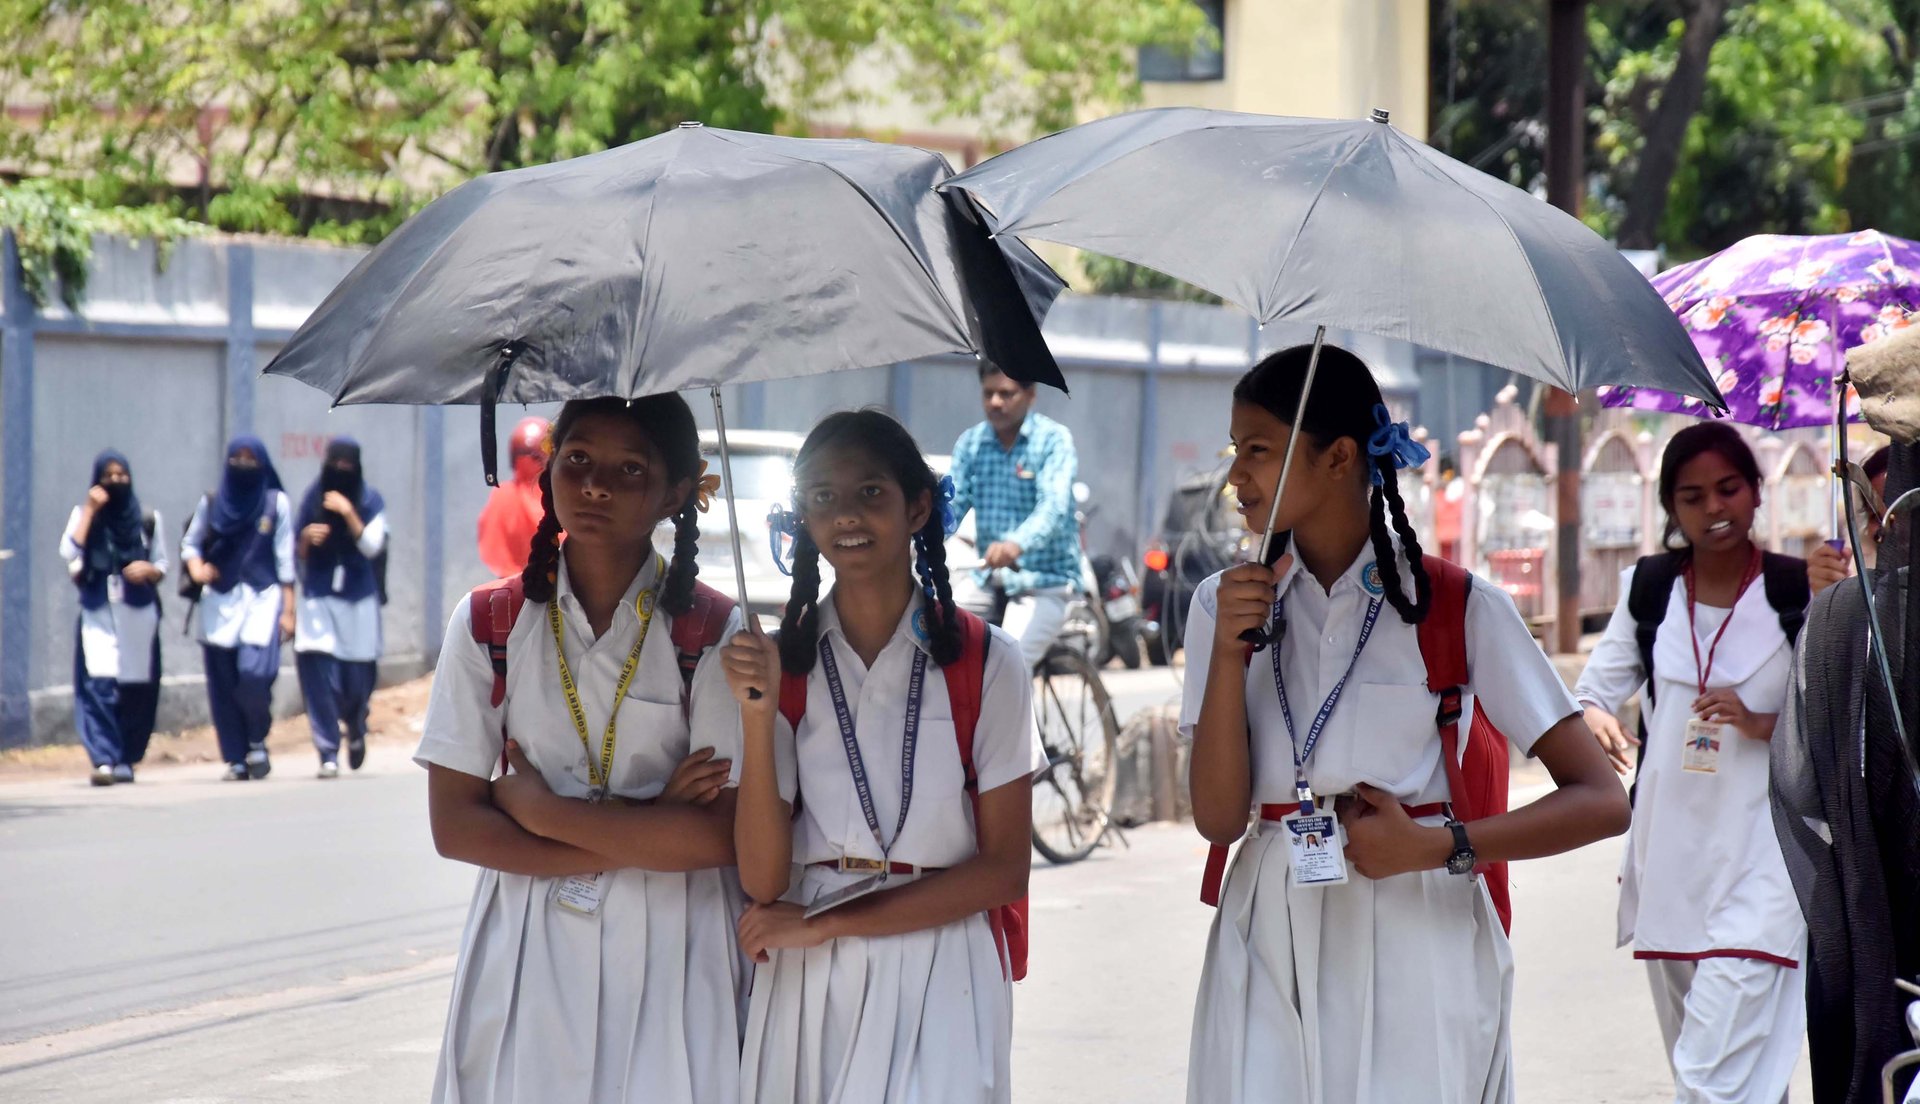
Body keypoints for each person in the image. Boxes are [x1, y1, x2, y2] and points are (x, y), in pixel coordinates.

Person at [1183, 344, 1629, 1104]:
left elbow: (1602, 800)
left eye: (1257, 450)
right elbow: (1219, 820)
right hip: (1266, 928)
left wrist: (1438, 845)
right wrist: (1230, 655)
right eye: (1237, 450)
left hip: (1417, 926)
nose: (1236, 476)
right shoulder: (1222, 606)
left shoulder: (1456, 605)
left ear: (1339, 457)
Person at [414, 395, 749, 1104]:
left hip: (676, 944)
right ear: (549, 470)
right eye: (578, 459)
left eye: (630, 469)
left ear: (676, 494)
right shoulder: (488, 622)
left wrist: (541, 813)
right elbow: (456, 827)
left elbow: (720, 835)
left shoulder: (713, 630)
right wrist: (652, 823)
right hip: (526, 943)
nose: (595, 485)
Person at [721, 409, 1041, 1104]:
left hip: (941, 958)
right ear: (803, 518)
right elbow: (763, 876)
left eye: (870, 491)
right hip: (809, 974)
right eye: (823, 496)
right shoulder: (782, 664)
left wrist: (827, 922)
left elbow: (1003, 870)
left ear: (918, 507)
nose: (845, 514)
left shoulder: (988, 661)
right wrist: (756, 716)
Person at [1577, 422, 1810, 1104]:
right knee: (1728, 1072)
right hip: (1672, 862)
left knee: (1710, 1080)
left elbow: (1841, 725)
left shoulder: (1801, 593)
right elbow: (1592, 692)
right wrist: (1593, 717)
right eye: (1693, 496)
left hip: (1767, 862)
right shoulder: (1648, 591)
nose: (1714, 508)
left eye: (1728, 489)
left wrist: (1759, 722)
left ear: (1756, 491)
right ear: (1670, 508)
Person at [948, 364, 1083, 669]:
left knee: (1009, 664)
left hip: (1044, 581)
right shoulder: (971, 443)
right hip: (987, 577)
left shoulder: (1052, 440)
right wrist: (918, 536)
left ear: (1030, 395)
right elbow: (952, 506)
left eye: (1006, 393)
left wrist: (1014, 545)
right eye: (988, 393)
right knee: (938, 636)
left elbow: (1054, 507)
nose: (995, 402)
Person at [182, 436, 295, 782]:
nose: (243, 465)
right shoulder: (212, 502)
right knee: (223, 684)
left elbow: (285, 558)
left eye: (251, 459)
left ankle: (257, 737)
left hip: (263, 599)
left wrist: (289, 610)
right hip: (220, 602)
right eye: (237, 458)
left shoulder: (275, 503)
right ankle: (236, 758)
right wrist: (197, 568)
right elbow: (191, 543)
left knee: (254, 674)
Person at [60, 450, 167, 785]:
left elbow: (162, 564)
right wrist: (91, 510)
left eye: (122, 475)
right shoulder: (83, 514)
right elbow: (69, 551)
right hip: (98, 609)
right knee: (98, 683)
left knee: (136, 686)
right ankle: (104, 758)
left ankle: (127, 757)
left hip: (137, 611)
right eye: (109, 475)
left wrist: (148, 569)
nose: (116, 480)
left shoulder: (147, 518)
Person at [293, 438, 388, 779]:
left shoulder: (370, 500)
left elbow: (372, 546)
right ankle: (327, 751)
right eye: (336, 465)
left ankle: (356, 723)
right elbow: (295, 550)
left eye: (348, 466)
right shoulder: (312, 497)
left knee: (356, 682)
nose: (341, 472)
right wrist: (307, 538)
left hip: (358, 600)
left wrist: (348, 512)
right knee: (318, 676)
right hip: (318, 598)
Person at [1808, 444, 1892, 593]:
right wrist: (1829, 597)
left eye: (1903, 507)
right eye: (1876, 517)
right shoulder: (1871, 597)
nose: (1888, 526)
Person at [477, 415, 552, 578]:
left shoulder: (504, 495)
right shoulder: (506, 497)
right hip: (552, 582)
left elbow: (492, 550)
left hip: (515, 583)